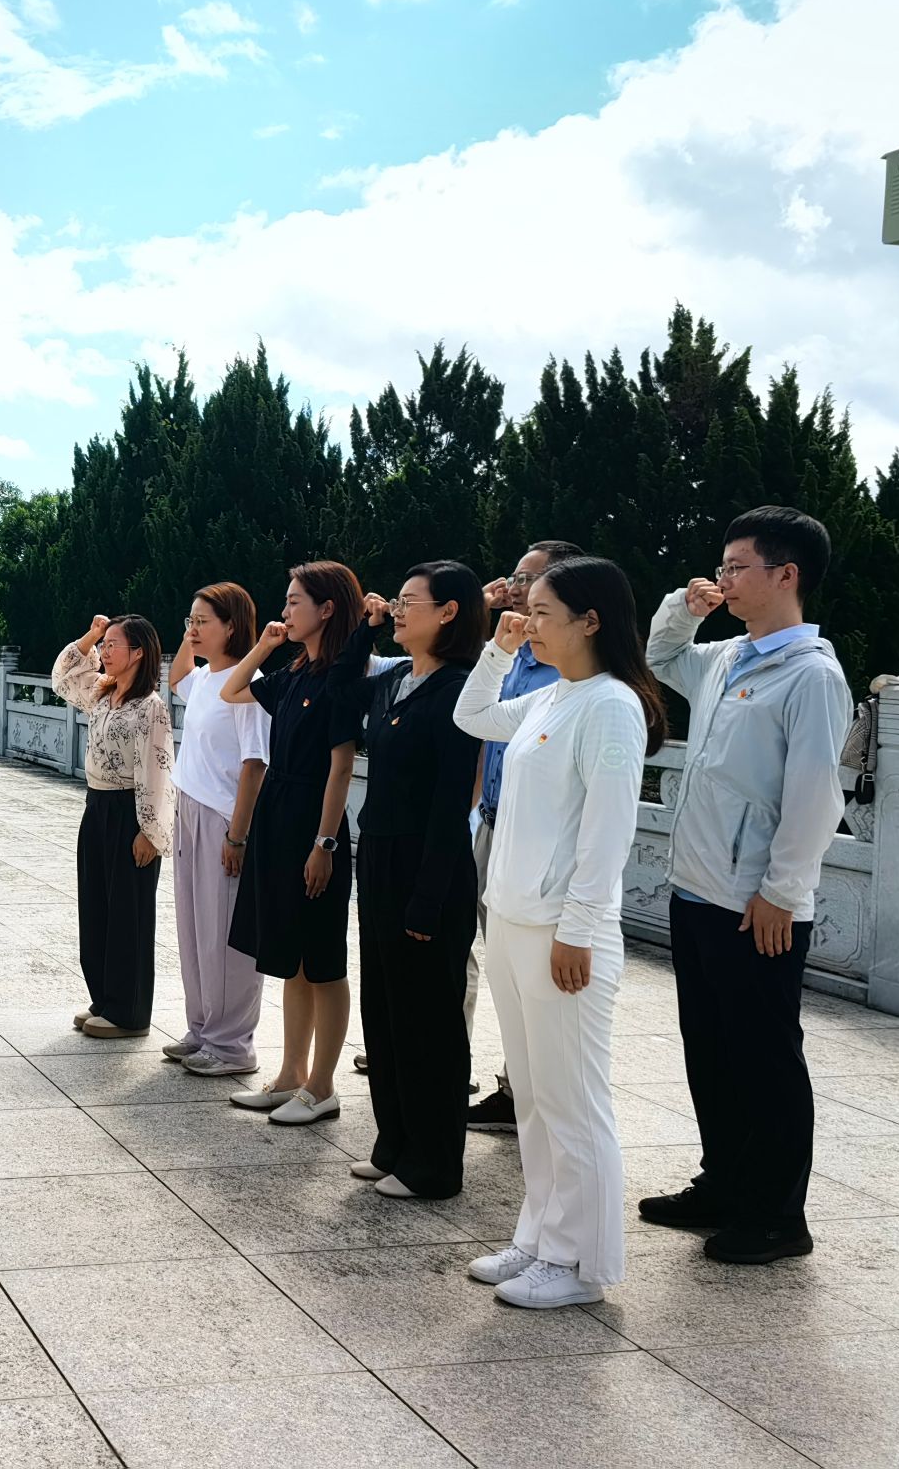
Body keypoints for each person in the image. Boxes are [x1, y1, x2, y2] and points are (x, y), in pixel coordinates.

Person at [640, 506, 852, 1265]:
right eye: (722, 567)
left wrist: (782, 893)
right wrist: (683, 607)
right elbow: (661, 656)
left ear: (786, 575)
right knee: (712, 1051)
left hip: (755, 905)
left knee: (765, 1057)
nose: (724, 579)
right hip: (697, 890)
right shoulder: (727, 657)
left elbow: (815, 794)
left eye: (736, 567)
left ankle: (777, 1216)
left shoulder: (812, 676)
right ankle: (724, 1183)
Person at [454, 556, 664, 1308]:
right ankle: (540, 1237)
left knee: (574, 1101)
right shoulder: (551, 696)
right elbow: (472, 717)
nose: (528, 620)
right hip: (513, 920)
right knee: (536, 1098)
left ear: (591, 620)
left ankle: (581, 1266)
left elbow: (607, 832)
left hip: (563, 933)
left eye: (542, 612)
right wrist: (497, 648)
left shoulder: (611, 705)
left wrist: (577, 927)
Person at [341, 563, 486, 1199]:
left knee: (429, 1020)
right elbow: (339, 692)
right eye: (395, 601)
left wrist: (428, 897)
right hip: (379, 854)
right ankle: (394, 1143)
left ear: (449, 612)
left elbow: (452, 801)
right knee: (385, 1010)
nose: (397, 610)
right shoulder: (396, 679)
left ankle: (434, 1163)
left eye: (408, 602)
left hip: (431, 865)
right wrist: (364, 629)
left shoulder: (460, 689)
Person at [215, 562, 369, 1126]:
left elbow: (341, 767)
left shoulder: (340, 678)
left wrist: (324, 843)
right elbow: (232, 689)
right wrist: (265, 644)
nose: (284, 611)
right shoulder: (294, 672)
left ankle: (322, 1087)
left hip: (313, 820)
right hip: (278, 816)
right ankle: (290, 1076)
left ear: (327, 609)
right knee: (291, 958)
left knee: (322, 960)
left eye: (294, 602)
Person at [465, 539, 585, 1133]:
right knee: (482, 957)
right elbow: (474, 716)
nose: (513, 586)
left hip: (539, 846)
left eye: (527, 579)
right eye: (515, 577)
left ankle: (525, 1093)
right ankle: (494, 1080)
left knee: (530, 978)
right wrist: (491, 636)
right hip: (491, 824)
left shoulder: (570, 674)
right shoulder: (515, 653)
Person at [164, 583, 272, 1076]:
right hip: (188, 809)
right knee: (193, 928)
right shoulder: (207, 677)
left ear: (232, 626)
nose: (193, 629)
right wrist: (191, 634)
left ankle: (232, 1045)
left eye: (203, 621)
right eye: (190, 620)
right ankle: (203, 1029)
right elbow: (176, 678)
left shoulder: (249, 685)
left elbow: (255, 764)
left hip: (224, 817)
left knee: (223, 932)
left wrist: (238, 835)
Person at [53, 614, 176, 1039]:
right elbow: (63, 676)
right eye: (103, 645)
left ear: (138, 653)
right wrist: (91, 634)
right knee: (97, 905)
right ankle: (104, 999)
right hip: (97, 805)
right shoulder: (103, 693)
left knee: (129, 913)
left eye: (112, 644)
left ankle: (129, 1012)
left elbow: (157, 770)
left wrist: (150, 832)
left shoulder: (150, 706)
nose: (104, 652)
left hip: (130, 812)